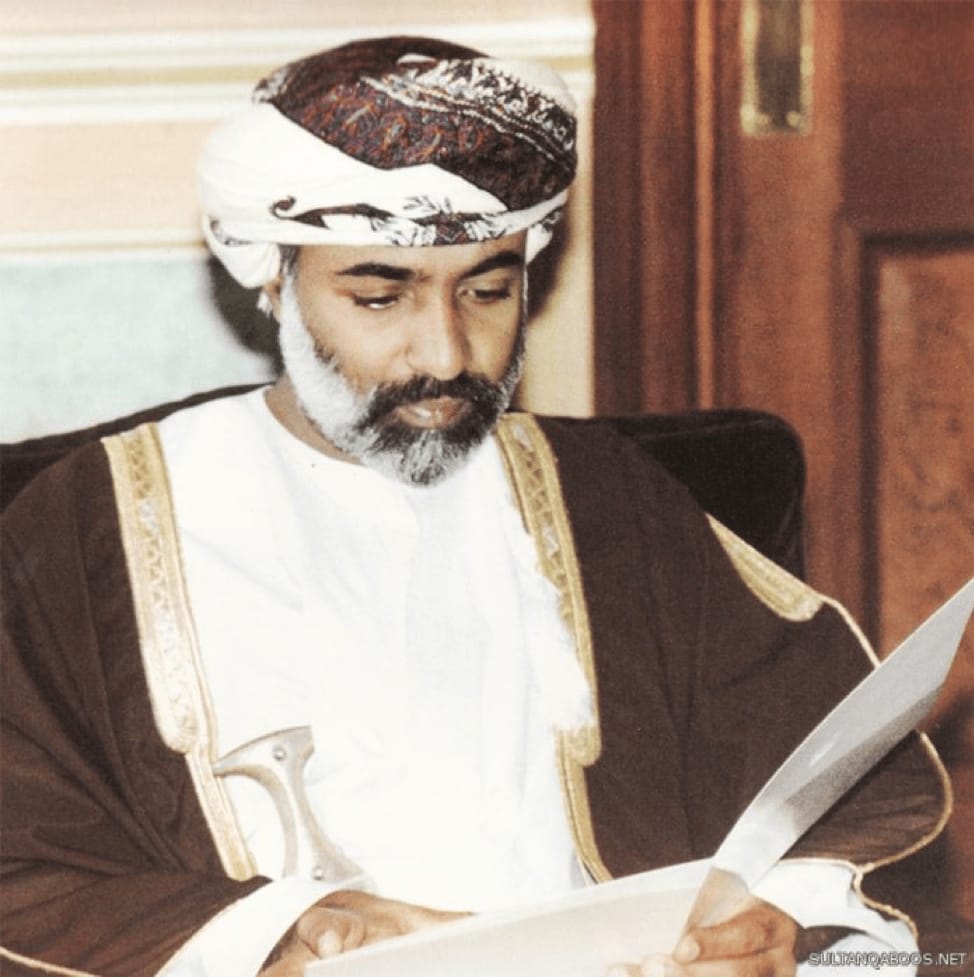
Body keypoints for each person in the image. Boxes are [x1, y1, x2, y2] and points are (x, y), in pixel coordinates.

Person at [0, 36, 948, 977]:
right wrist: (272, 934)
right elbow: (26, 862)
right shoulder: (99, 523)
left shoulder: (608, 502)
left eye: (488, 291)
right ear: (274, 280)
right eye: (381, 299)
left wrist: (779, 920)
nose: (447, 354)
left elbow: (829, 793)